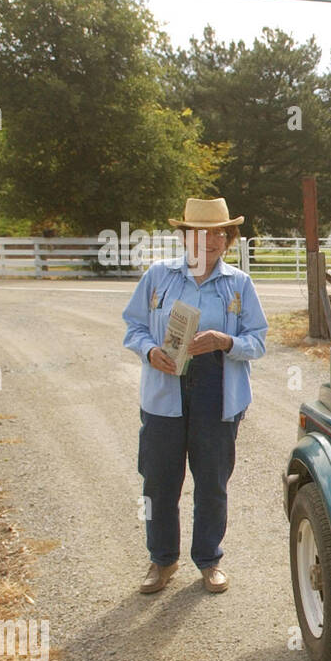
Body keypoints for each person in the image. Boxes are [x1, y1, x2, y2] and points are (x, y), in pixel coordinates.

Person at [122, 198, 267, 594]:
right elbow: (133, 327)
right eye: (201, 233)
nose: (211, 241)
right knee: (159, 483)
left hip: (217, 393)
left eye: (220, 233)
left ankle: (209, 560)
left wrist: (225, 340)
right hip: (164, 391)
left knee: (212, 483)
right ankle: (162, 562)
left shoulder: (238, 284)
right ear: (185, 235)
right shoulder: (159, 276)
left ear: (228, 238)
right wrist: (151, 351)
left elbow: (258, 341)